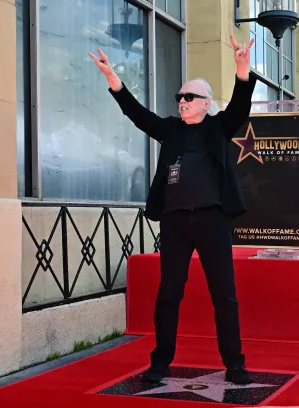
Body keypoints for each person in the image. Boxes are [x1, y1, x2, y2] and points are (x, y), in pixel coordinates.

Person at [89, 35, 257, 385]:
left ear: (206, 103)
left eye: (189, 97)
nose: (182, 101)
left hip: (212, 220)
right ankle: (160, 363)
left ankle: (235, 364)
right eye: (179, 96)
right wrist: (112, 78)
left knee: (224, 295)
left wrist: (242, 67)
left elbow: (240, 107)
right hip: (175, 222)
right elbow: (137, 115)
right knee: (169, 294)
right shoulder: (170, 129)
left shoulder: (218, 126)